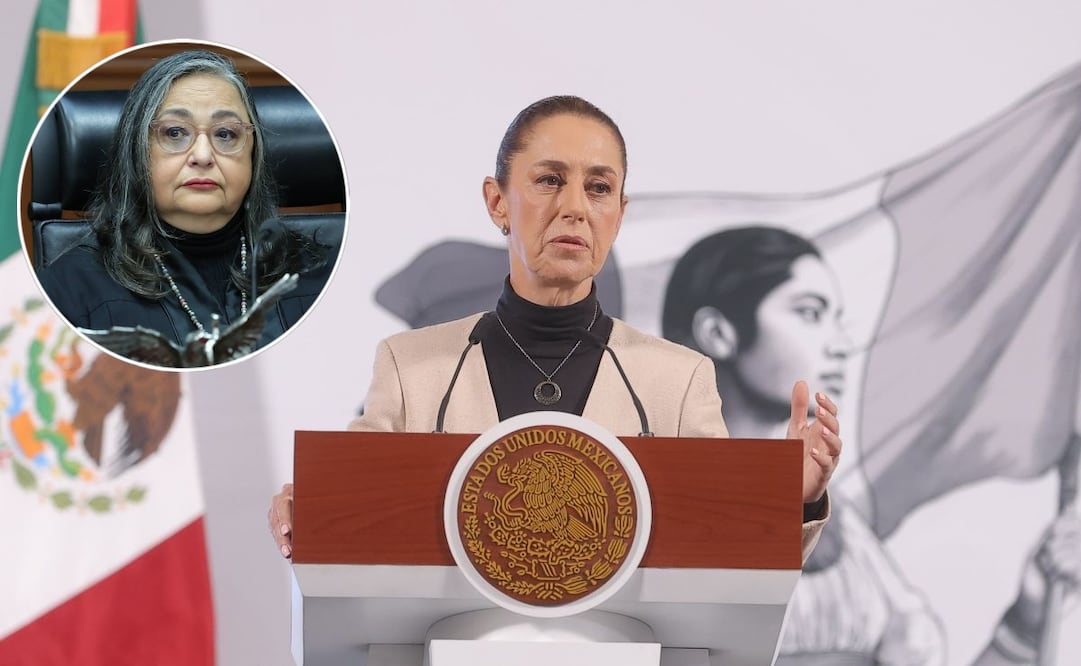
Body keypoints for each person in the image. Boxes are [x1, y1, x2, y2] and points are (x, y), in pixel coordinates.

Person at [268, 95, 842, 563]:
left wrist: (794, 502)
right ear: (497, 202)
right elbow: (348, 513)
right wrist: (310, 508)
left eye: (598, 187)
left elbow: (727, 552)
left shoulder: (678, 379)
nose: (574, 207)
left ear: (619, 211)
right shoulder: (412, 368)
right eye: (548, 180)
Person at [663, 226, 1079, 665]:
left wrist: (1027, 614)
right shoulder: (652, 504)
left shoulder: (845, 527)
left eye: (837, 318)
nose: (841, 344)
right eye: (810, 313)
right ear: (718, 332)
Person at [36, 49, 335, 366]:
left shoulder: (322, 273)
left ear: (254, 154)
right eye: (175, 133)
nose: (203, 155)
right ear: (137, 152)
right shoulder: (67, 290)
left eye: (226, 134)